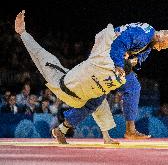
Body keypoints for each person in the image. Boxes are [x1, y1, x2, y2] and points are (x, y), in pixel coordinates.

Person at [14, 10, 126, 144]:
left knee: (40, 53)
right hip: (74, 95)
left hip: (63, 85)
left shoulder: (101, 61)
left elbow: (104, 37)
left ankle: (22, 32)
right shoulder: (117, 79)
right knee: (100, 102)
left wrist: (114, 35)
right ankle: (104, 137)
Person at [110, 22, 168, 139]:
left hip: (113, 52)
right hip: (108, 50)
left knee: (132, 87)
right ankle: (130, 131)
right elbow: (119, 43)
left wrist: (131, 60)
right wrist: (119, 64)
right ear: (159, 36)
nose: (159, 50)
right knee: (130, 87)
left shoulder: (150, 38)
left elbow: (139, 58)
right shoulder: (142, 35)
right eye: (161, 46)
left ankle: (130, 130)